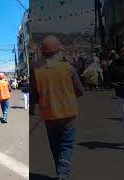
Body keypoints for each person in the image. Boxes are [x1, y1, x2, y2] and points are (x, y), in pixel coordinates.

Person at [34, 35, 83, 180]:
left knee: (55, 146)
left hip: (49, 115)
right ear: (58, 51)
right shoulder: (68, 68)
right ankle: (63, 174)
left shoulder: (37, 72)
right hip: (68, 112)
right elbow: (80, 90)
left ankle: (61, 174)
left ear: (43, 53)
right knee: (66, 144)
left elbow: (35, 96)